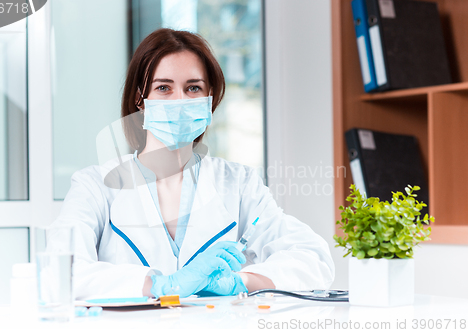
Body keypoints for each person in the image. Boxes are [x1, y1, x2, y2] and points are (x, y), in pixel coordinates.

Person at [51, 28, 335, 300]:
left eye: (193, 88)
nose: (180, 101)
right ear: (140, 98)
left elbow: (314, 259)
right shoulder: (95, 186)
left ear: (209, 99)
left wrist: (242, 281)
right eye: (163, 88)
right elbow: (61, 270)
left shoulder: (239, 184)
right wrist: (160, 285)